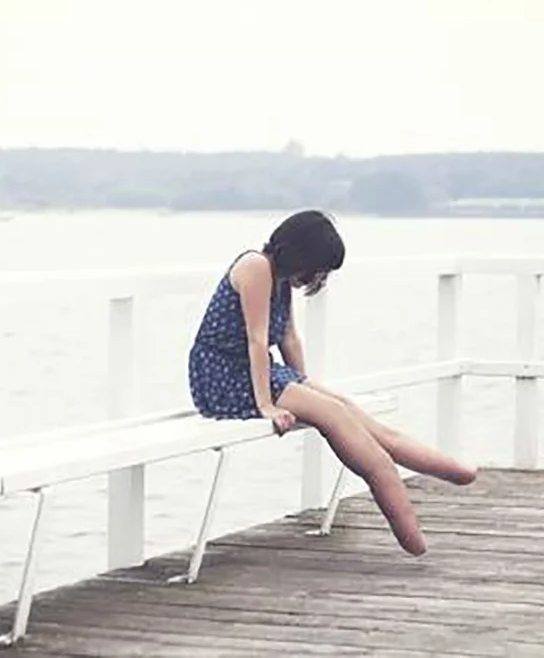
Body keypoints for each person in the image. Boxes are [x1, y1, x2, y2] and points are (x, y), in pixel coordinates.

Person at [187, 209, 477, 555]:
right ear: (300, 255)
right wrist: (267, 405)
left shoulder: (279, 278)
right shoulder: (256, 267)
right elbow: (257, 340)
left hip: (255, 372)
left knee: (345, 407)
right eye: (318, 269)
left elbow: (289, 337)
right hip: (223, 377)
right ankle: (411, 537)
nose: (318, 278)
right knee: (336, 417)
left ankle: (456, 472)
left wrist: (303, 382)